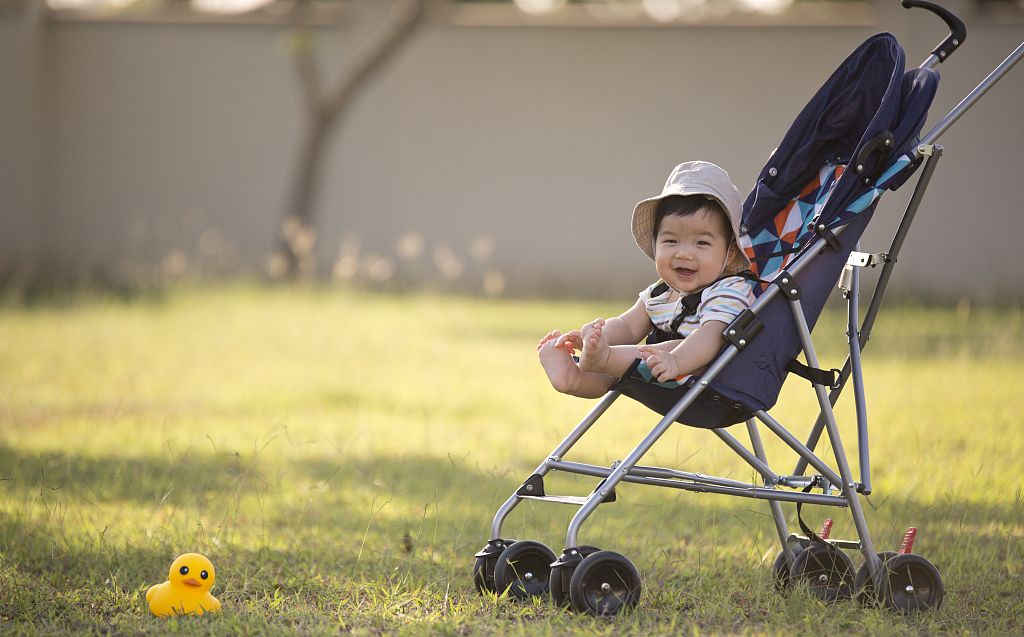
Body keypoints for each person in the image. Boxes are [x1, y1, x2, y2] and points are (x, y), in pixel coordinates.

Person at [538, 161, 754, 399]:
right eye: (671, 241)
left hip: (709, 378)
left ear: (729, 253)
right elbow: (628, 326)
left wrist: (677, 359)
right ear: (655, 244)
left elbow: (711, 336)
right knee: (624, 364)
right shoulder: (659, 293)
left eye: (702, 243)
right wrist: (596, 339)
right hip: (658, 371)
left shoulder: (730, 290)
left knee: (659, 351)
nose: (683, 253)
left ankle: (605, 359)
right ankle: (574, 377)